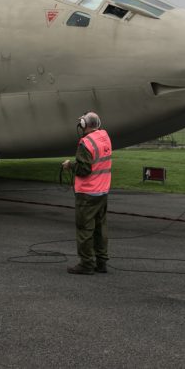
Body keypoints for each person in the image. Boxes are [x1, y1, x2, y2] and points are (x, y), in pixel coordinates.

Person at [62, 111, 112, 275]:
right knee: (100, 228)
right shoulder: (104, 137)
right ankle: (101, 262)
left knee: (85, 229)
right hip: (102, 191)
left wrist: (70, 165)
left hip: (88, 194)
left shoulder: (86, 143)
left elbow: (84, 169)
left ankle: (86, 264)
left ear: (84, 125)